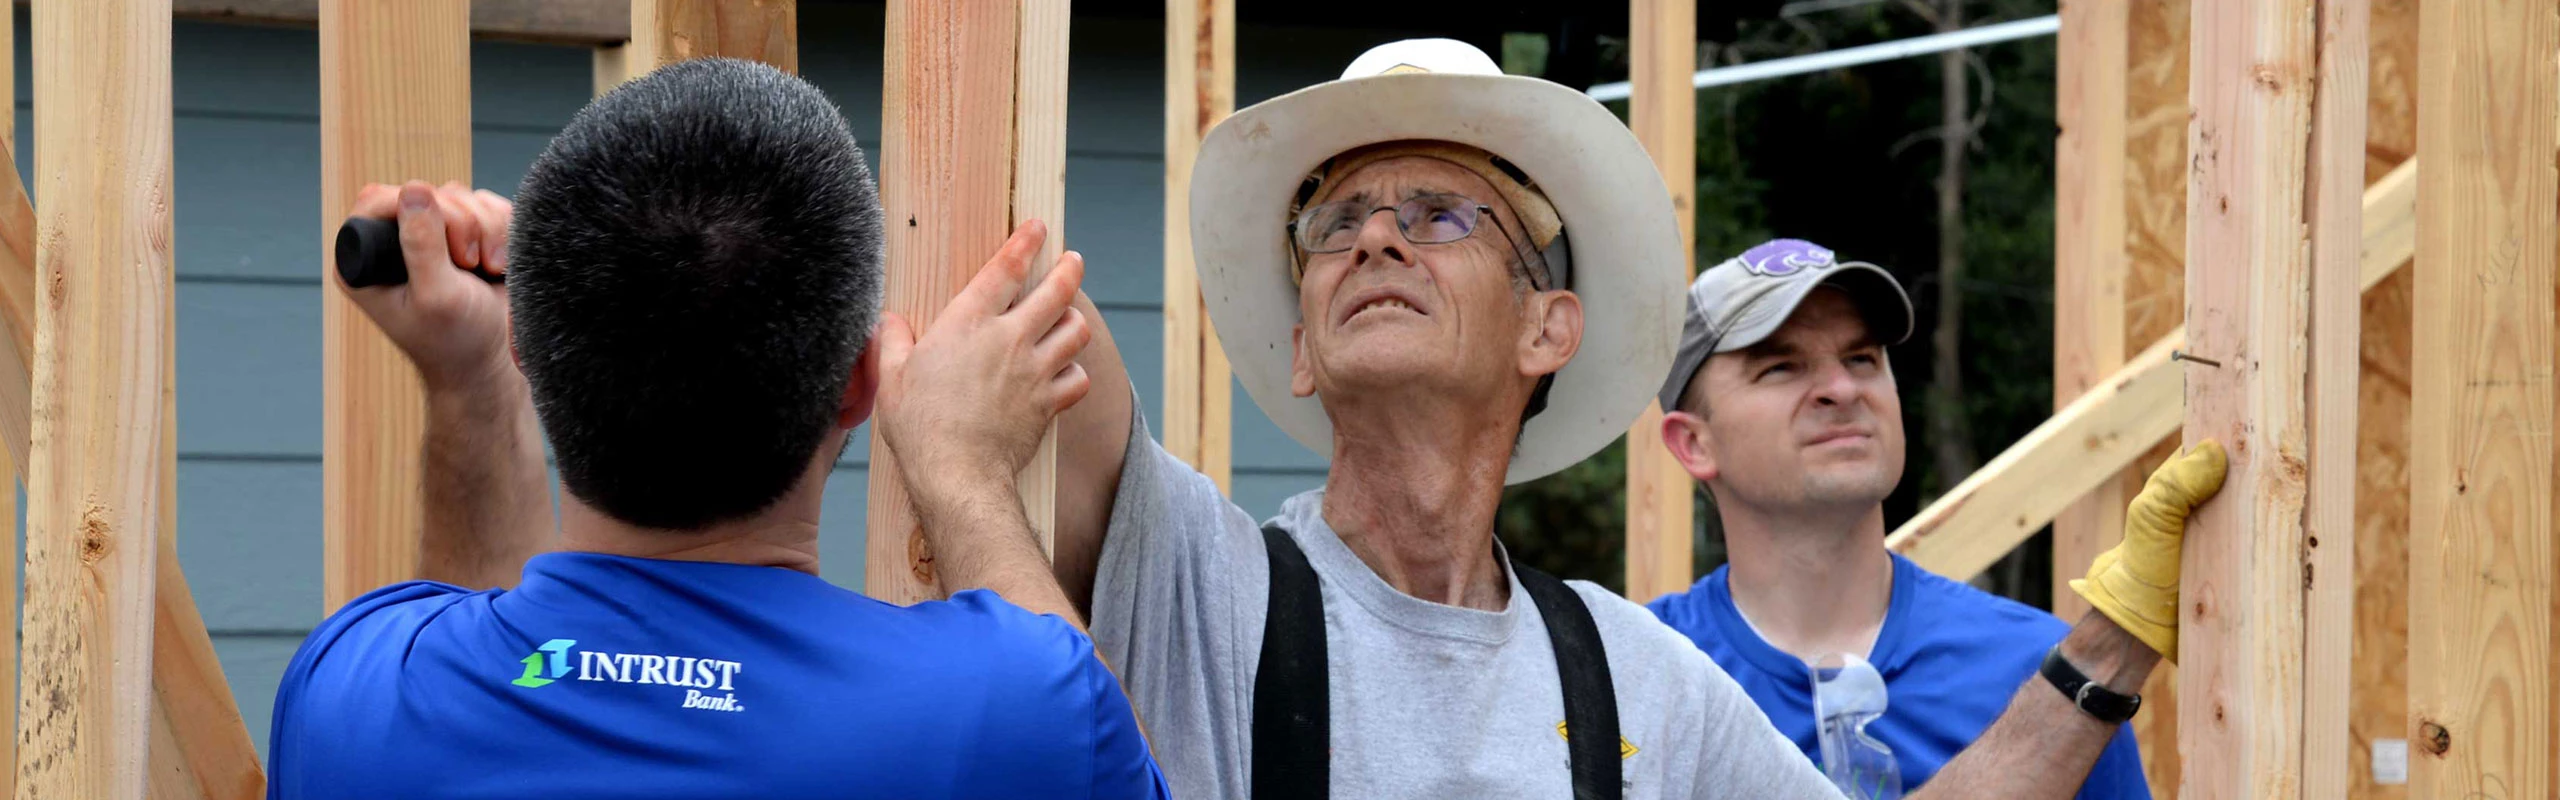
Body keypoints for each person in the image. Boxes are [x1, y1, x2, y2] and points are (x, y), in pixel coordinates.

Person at [401, 40, 2223, 799]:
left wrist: (2106, 651)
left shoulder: (1634, 686)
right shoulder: (1202, 574)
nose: (1370, 239)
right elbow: (1004, 270)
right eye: (1334, 221)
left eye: (1440, 215)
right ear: (1295, 323)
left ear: (1553, 328)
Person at [265, 58, 1167, 799]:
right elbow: (1076, 721)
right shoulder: (1015, 717)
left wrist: (468, 380)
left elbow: (482, 668)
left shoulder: (348, 696)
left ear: (528, 353)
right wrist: (962, 467)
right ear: (861, 385)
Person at [1642, 239, 2199, 798]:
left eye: (1862, 359)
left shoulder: (2036, 669)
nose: (1842, 389)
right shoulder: (1637, 681)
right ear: (1694, 443)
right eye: (1781, 367)